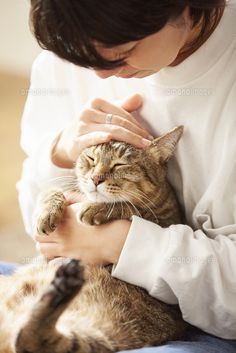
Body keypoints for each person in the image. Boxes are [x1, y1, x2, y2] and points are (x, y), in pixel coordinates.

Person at [16, 0, 236, 352]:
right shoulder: (68, 51)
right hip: (66, 286)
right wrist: (58, 154)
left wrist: (120, 244)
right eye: (81, 57)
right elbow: (38, 227)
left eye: (124, 51)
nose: (100, 74)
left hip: (198, 318)